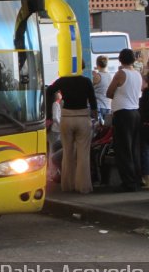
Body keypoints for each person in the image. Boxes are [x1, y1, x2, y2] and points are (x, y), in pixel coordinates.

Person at [46, 64, 98, 194]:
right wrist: (94, 115)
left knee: (67, 152)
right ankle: (83, 186)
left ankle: (67, 185)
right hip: (82, 117)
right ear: (82, 67)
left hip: (67, 117)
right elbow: (93, 100)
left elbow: (49, 91)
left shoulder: (63, 80)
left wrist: (49, 114)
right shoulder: (86, 81)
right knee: (83, 154)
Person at [106, 48, 143, 192]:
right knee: (134, 148)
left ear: (120, 59)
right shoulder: (137, 74)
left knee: (123, 149)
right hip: (135, 112)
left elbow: (109, 92)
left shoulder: (121, 74)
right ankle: (137, 179)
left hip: (123, 113)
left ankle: (128, 182)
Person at [92, 55, 113, 123]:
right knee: (105, 130)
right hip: (108, 106)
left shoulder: (97, 76)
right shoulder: (110, 76)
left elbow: (90, 89)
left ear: (97, 64)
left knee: (98, 129)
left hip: (99, 106)